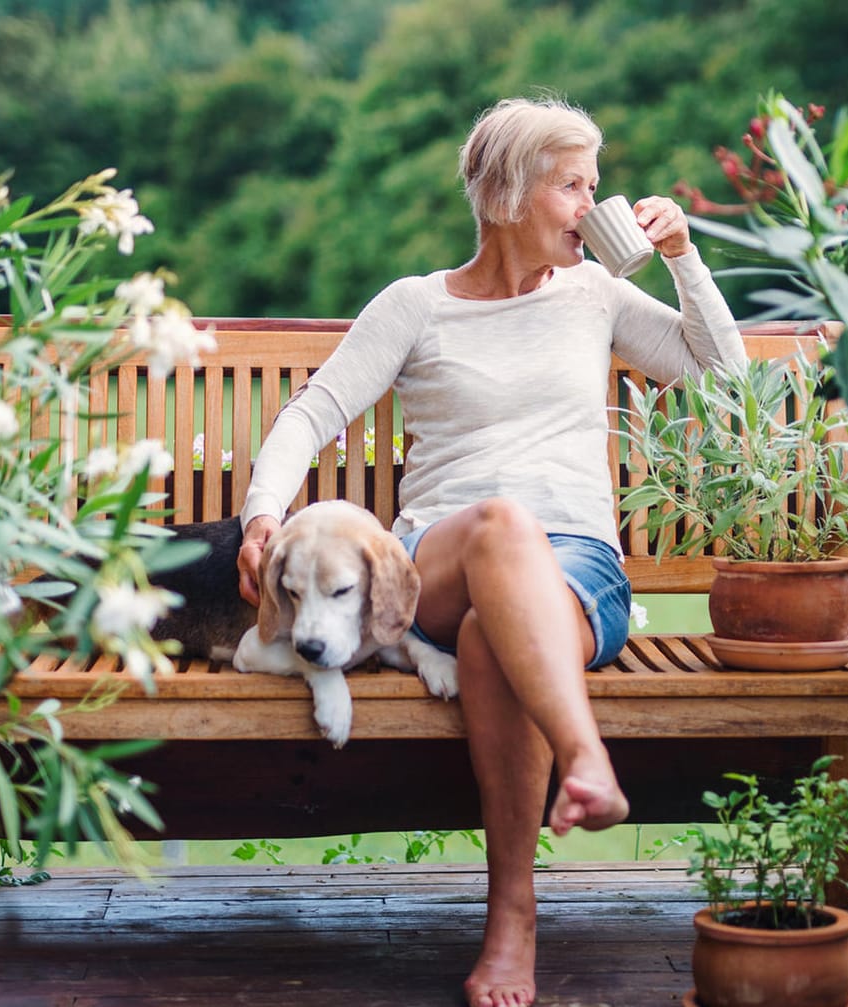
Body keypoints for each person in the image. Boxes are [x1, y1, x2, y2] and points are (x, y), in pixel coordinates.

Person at [235, 95, 745, 1007]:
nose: (594, 206)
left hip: (579, 568)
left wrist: (682, 256)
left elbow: (723, 379)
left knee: (486, 644)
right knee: (503, 522)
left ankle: (513, 921)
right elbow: (313, 411)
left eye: (596, 185)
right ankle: (586, 757)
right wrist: (261, 514)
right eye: (573, 186)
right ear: (509, 194)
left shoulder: (596, 295)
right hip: (437, 558)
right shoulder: (414, 307)